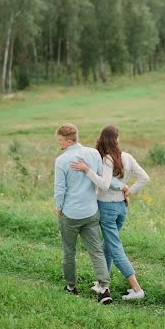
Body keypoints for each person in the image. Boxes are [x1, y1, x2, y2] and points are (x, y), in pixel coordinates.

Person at [72, 125, 150, 300]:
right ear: (117, 139)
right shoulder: (127, 157)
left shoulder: (107, 159)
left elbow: (104, 184)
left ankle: (137, 289)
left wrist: (87, 170)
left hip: (107, 208)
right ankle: (102, 284)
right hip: (122, 207)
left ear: (103, 139)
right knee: (108, 245)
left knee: (114, 247)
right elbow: (145, 178)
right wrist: (129, 191)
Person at [54, 123, 126, 304]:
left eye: (61, 141)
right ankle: (104, 289)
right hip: (91, 212)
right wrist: (122, 186)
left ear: (69, 141)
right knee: (96, 251)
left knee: (69, 252)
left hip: (70, 213)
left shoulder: (61, 160)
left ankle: (71, 287)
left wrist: (59, 207)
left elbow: (60, 189)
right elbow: (105, 179)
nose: (59, 144)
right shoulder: (93, 154)